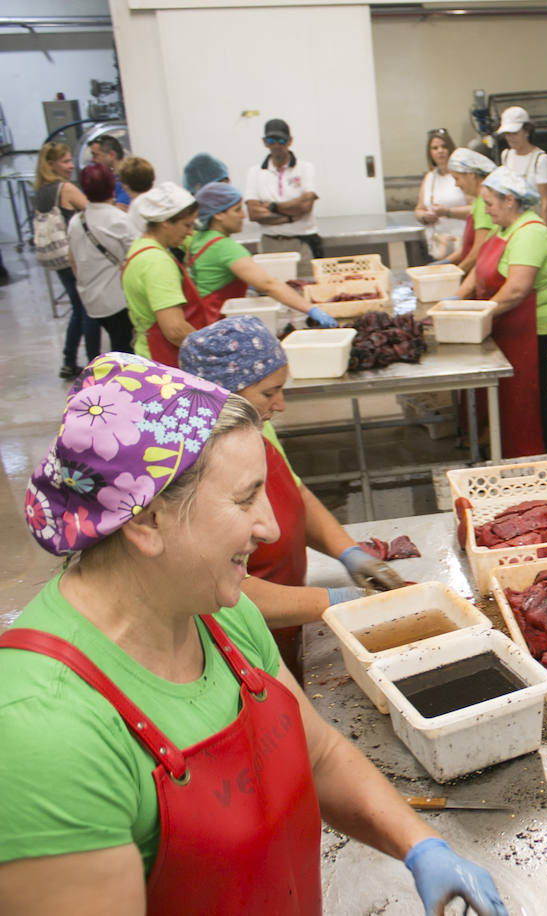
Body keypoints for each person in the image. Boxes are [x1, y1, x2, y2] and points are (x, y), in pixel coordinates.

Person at [0, 353, 508, 916]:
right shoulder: (41, 732)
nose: (267, 526)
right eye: (245, 499)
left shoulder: (219, 612)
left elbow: (318, 754)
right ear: (144, 521)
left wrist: (420, 846)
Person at [179, 317, 403, 678]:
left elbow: (298, 496)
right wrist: (338, 601)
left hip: (291, 614)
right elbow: (224, 590)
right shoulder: (194, 469)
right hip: (241, 640)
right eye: (269, 393)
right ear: (224, 393)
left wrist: (350, 553)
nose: (281, 405)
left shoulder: (256, 428)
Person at [453, 167, 547, 456]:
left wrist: (476, 316)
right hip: (506, 322)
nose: (485, 211)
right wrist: (453, 301)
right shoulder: (503, 228)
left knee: (533, 394)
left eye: (489, 204)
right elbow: (478, 272)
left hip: (534, 326)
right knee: (513, 394)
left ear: (509, 201)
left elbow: (516, 290)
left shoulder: (531, 233)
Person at [186, 182, 337, 327]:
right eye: (237, 210)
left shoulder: (199, 238)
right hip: (219, 323)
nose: (243, 216)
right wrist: (311, 310)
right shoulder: (224, 246)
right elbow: (268, 285)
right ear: (218, 214)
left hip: (202, 320)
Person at [121, 182, 205, 366]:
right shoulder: (157, 262)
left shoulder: (140, 248)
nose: (190, 232)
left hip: (146, 352)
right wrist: (211, 352)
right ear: (165, 222)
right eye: (186, 225)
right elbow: (174, 329)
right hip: (162, 360)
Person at [34, 141, 97, 379]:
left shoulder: (41, 192)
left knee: (77, 308)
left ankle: (69, 360)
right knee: (88, 310)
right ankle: (94, 364)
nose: (71, 165)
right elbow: (93, 211)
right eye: (66, 161)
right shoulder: (65, 188)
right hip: (73, 257)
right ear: (51, 164)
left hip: (55, 258)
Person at [67, 163, 136, 354]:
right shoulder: (119, 219)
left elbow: (72, 261)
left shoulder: (76, 222)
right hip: (118, 300)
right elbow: (138, 257)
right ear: (112, 186)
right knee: (125, 351)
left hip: (91, 299)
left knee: (110, 346)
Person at [244, 119, 323, 266]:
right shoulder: (254, 172)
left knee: (306, 285)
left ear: (290, 141)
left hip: (301, 243)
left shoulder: (306, 168)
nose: (276, 145)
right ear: (264, 142)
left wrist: (271, 207)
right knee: (272, 286)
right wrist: (290, 218)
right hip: (270, 244)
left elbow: (305, 207)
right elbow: (254, 213)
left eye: (281, 140)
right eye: (271, 140)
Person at [435, 148, 497, 276]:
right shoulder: (477, 202)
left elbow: (479, 249)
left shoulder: (484, 204)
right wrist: (447, 262)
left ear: (472, 175)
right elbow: (468, 246)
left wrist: (455, 273)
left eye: (457, 178)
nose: (456, 185)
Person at [414, 128, 470, 262]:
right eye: (435, 148)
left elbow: (476, 209)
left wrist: (447, 212)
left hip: (462, 243)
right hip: (438, 245)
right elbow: (419, 208)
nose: (440, 151)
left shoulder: (462, 176)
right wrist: (424, 216)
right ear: (430, 153)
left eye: (444, 146)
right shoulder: (429, 178)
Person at [495, 107, 547, 227]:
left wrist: (544, 230)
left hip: (532, 220)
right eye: (507, 134)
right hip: (511, 220)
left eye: (514, 134)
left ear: (527, 131)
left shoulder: (540, 159)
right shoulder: (506, 155)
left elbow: (545, 202)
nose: (510, 138)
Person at [85, 135, 129, 209]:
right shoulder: (100, 181)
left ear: (112, 155)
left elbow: (121, 209)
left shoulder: (128, 181)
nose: (92, 160)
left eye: (95, 155)